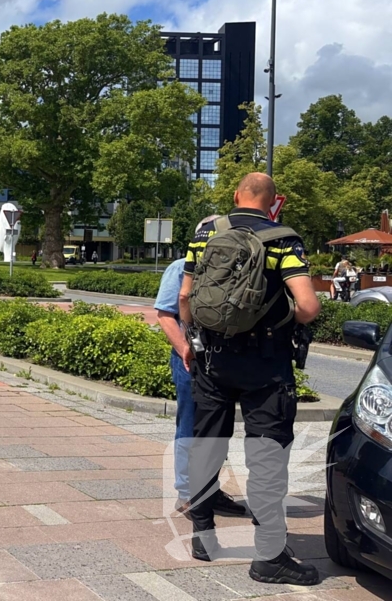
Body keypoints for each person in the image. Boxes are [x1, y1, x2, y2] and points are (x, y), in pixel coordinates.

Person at [179, 173, 321, 585]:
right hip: (266, 364)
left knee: (206, 444)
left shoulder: (206, 233)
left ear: (236, 195)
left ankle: (203, 537)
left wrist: (193, 339)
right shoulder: (283, 239)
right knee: (267, 457)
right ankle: (269, 557)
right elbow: (308, 306)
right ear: (272, 202)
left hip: (211, 359)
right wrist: (280, 319)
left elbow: (185, 297)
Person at [154, 215, 246, 522]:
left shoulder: (237, 269)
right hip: (189, 359)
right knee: (191, 425)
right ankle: (186, 493)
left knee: (217, 429)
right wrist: (184, 347)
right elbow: (165, 314)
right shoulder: (180, 267)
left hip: (224, 359)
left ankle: (209, 488)